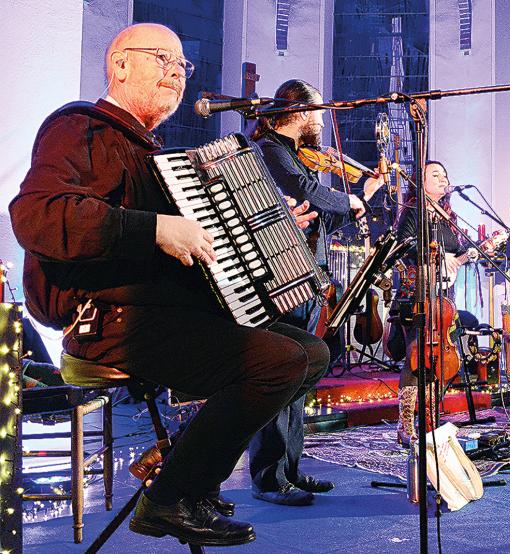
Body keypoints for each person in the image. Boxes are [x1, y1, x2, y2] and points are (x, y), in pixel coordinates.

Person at [9, 23, 328, 546]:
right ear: (119, 65)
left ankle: (186, 470)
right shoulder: (79, 128)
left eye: (183, 66)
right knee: (280, 360)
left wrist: (264, 231)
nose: (177, 74)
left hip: (162, 312)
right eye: (163, 59)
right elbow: (38, 215)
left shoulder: (149, 150)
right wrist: (156, 228)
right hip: (108, 318)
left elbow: (192, 246)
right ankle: (171, 497)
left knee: (310, 350)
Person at [247, 78, 381, 505]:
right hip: (280, 276)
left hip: (307, 273)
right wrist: (348, 199)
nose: (322, 120)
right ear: (300, 113)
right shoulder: (270, 151)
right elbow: (304, 192)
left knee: (299, 378)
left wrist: (360, 197)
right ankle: (268, 478)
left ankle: (290, 469)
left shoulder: (296, 155)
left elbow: (320, 223)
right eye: (318, 112)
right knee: (279, 375)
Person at [389, 161, 479, 444]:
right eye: (435, 175)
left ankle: (428, 421)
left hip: (443, 297)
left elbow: (458, 249)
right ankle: (405, 425)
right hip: (415, 292)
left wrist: (471, 253)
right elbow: (403, 245)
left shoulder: (446, 216)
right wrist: (441, 256)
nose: (443, 179)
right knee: (416, 356)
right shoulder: (413, 212)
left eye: (445, 174)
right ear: (420, 182)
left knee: (439, 358)